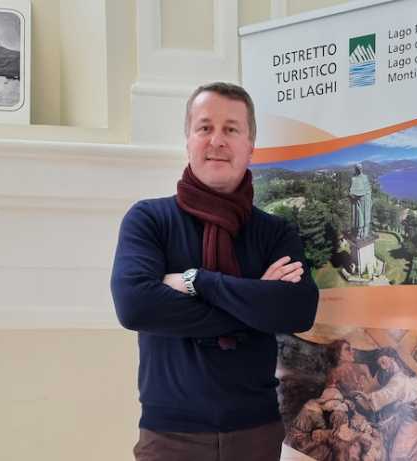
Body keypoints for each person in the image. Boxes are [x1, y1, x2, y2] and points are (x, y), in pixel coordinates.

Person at [111, 82, 319, 461]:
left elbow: (298, 311)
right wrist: (254, 302)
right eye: (205, 127)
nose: (217, 140)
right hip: (170, 437)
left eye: (231, 129)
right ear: (188, 140)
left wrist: (197, 281)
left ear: (250, 144)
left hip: (255, 435)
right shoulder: (149, 219)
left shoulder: (275, 232)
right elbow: (135, 306)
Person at [352, 348, 417, 461]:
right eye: (380, 365)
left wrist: (361, 399)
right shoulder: (406, 374)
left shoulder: (399, 380)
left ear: (393, 358)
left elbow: (383, 397)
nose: (383, 367)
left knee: (397, 455)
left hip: (415, 421)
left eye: (383, 362)